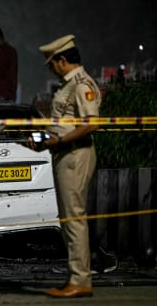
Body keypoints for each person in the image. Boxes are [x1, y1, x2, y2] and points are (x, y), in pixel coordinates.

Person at [36, 34, 101, 298]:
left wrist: (60, 139)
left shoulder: (81, 84)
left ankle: (81, 280)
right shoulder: (69, 85)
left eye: (51, 63)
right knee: (68, 219)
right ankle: (77, 277)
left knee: (74, 219)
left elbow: (91, 123)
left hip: (75, 155)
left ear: (62, 60)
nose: (51, 68)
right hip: (64, 153)